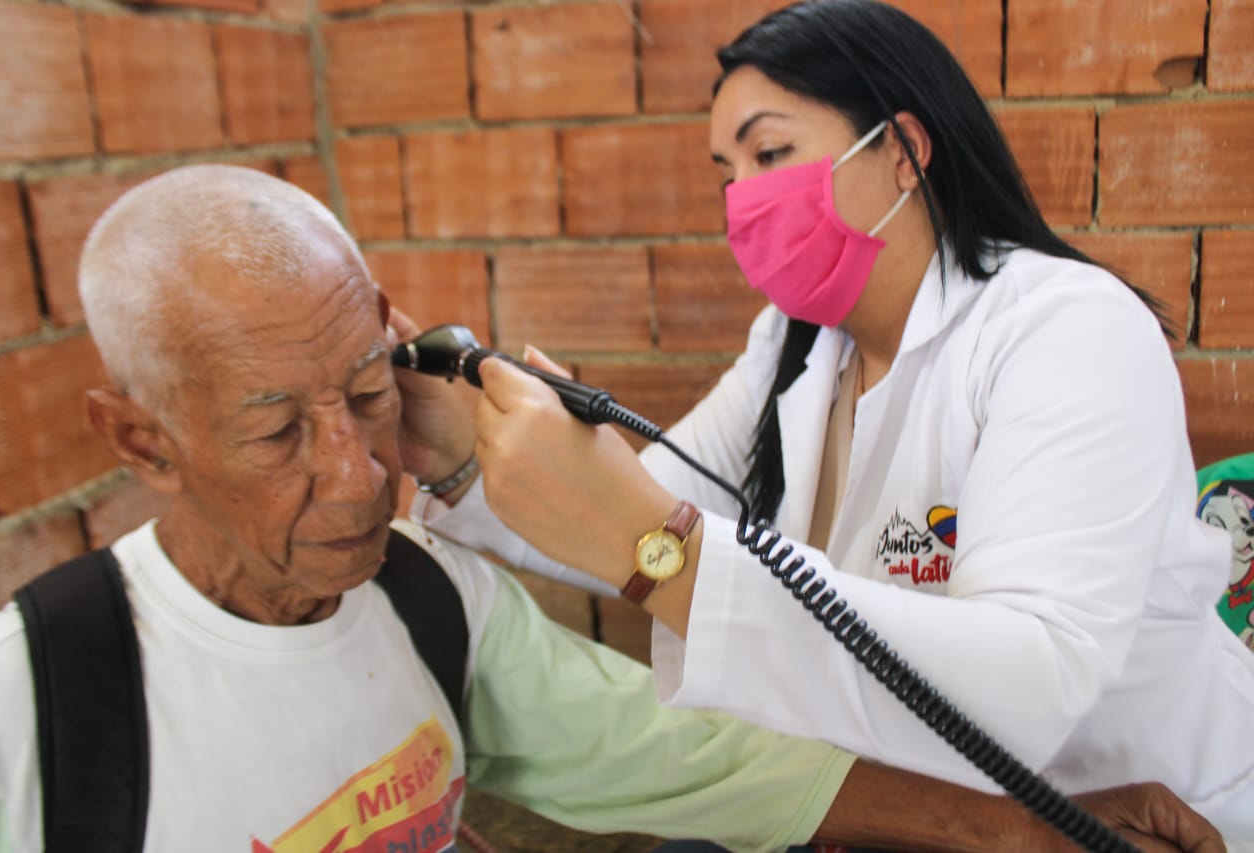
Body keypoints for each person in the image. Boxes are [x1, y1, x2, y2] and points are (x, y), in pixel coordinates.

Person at [0, 164, 1219, 853]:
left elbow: (692, 755)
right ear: (140, 439)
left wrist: (1026, 829)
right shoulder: (25, 709)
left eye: (364, 393)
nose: (357, 472)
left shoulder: (428, 600)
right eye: (276, 431)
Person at [397, 0, 1254, 845]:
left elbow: (1030, 686)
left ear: (904, 151)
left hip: (1137, 813)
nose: (744, 198)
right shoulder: (796, 343)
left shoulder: (1068, 330)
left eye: (771, 153)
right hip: (925, 813)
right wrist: (459, 460)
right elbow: (623, 510)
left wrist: (659, 551)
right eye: (728, 172)